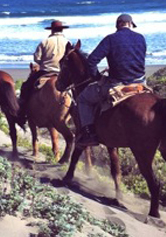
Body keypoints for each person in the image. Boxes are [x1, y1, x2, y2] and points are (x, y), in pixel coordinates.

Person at [76, 13, 147, 146]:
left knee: (83, 99)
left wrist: (98, 77)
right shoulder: (141, 38)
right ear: (130, 24)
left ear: (118, 25)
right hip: (140, 83)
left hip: (117, 83)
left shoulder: (110, 39)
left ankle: (89, 133)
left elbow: (91, 61)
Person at [17, 19, 71, 127]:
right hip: (63, 73)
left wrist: (43, 62)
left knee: (26, 87)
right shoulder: (67, 42)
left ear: (51, 30)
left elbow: (37, 58)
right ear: (61, 30)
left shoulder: (45, 42)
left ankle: (22, 114)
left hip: (46, 71)